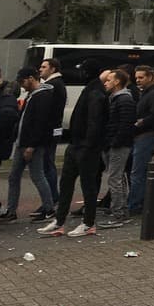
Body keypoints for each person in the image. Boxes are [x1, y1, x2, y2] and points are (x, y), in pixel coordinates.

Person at [39, 61, 107, 238]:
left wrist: (88, 145)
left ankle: (88, 223)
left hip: (84, 147)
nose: (79, 75)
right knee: (68, 183)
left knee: (87, 186)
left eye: (82, 72)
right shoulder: (91, 90)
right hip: (78, 145)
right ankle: (60, 221)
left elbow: (95, 122)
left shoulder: (95, 93)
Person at [0, 67, 58, 224]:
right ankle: (11, 211)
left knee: (37, 175)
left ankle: (49, 208)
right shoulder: (33, 95)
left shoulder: (42, 96)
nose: (22, 86)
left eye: (23, 81)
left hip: (31, 144)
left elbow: (40, 123)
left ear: (31, 78)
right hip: (23, 142)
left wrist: (31, 145)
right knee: (14, 176)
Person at [127, 65, 154, 216]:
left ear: (150, 77)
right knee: (138, 171)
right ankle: (138, 201)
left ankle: (135, 204)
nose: (138, 80)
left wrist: (140, 122)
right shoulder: (145, 93)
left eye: (141, 77)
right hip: (142, 136)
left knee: (137, 172)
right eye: (136, 78)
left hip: (146, 136)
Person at [101, 68, 135, 227]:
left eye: (108, 80)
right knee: (118, 178)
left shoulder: (123, 100)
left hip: (119, 145)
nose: (105, 83)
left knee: (115, 178)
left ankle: (119, 214)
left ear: (117, 82)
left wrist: (114, 142)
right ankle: (121, 211)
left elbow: (124, 124)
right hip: (115, 143)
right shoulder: (115, 99)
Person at [37, 58, 66, 207]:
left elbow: (46, 111)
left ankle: (52, 196)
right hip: (54, 129)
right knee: (48, 163)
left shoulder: (51, 86)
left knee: (47, 165)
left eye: (43, 67)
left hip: (49, 131)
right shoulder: (57, 84)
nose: (40, 69)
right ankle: (53, 195)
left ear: (53, 69)